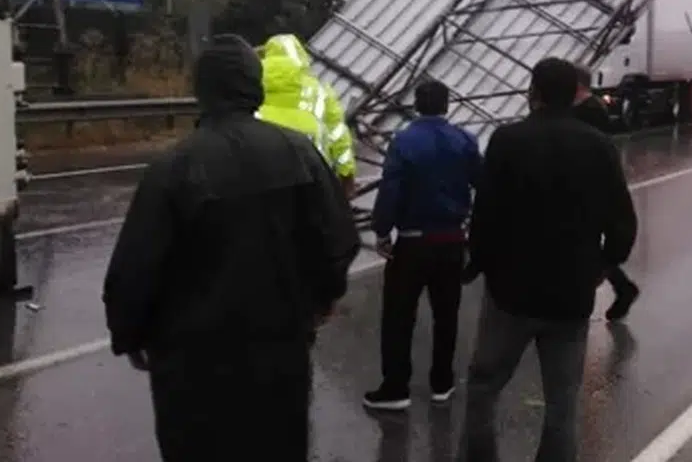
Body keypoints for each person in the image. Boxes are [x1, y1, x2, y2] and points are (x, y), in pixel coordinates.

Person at [103, 34, 359, 462]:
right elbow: (338, 238)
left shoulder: (172, 168)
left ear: (202, 89)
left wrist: (130, 335)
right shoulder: (299, 152)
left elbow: (134, 268)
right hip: (280, 354)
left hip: (191, 367)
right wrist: (322, 300)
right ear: (255, 85)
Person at [458, 57, 638, 462]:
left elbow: (486, 213)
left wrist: (478, 263)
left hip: (510, 291)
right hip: (570, 295)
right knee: (562, 403)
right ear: (574, 94)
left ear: (533, 93)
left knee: (484, 386)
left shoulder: (507, 140)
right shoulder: (598, 145)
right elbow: (623, 222)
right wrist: (603, 266)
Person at [364, 79, 481, 412]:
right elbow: (483, 183)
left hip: (413, 242)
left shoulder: (404, 141)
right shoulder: (465, 140)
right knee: (447, 314)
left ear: (416, 105)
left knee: (399, 316)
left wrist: (382, 231)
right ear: (447, 105)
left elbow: (391, 189)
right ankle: (442, 382)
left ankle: (396, 387)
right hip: (452, 241)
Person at [572, 65, 640, 321]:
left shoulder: (587, 111)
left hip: (589, 184)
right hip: (594, 182)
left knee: (586, 243)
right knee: (589, 244)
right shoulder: (593, 107)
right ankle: (622, 287)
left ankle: (608, 289)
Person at [258, 33, 358, 197]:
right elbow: (338, 135)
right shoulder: (320, 92)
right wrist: (347, 175)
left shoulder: (255, 91)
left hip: (269, 183)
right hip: (316, 178)